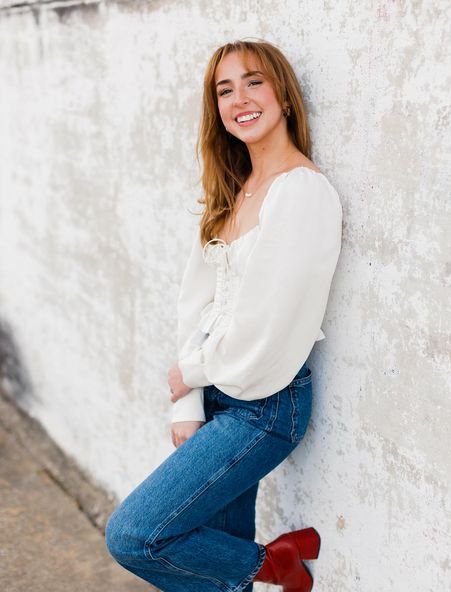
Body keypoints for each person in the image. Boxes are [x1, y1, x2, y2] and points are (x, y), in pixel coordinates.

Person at [105, 39, 343, 592]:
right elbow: (197, 305)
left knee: (136, 536)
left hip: (265, 405)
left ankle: (273, 564)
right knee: (200, 573)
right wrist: (187, 400)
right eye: (225, 89)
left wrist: (191, 375)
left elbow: (271, 325)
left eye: (254, 81)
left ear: (283, 92)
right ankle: (268, 564)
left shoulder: (303, 193)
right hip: (218, 394)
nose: (240, 99)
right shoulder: (235, 192)